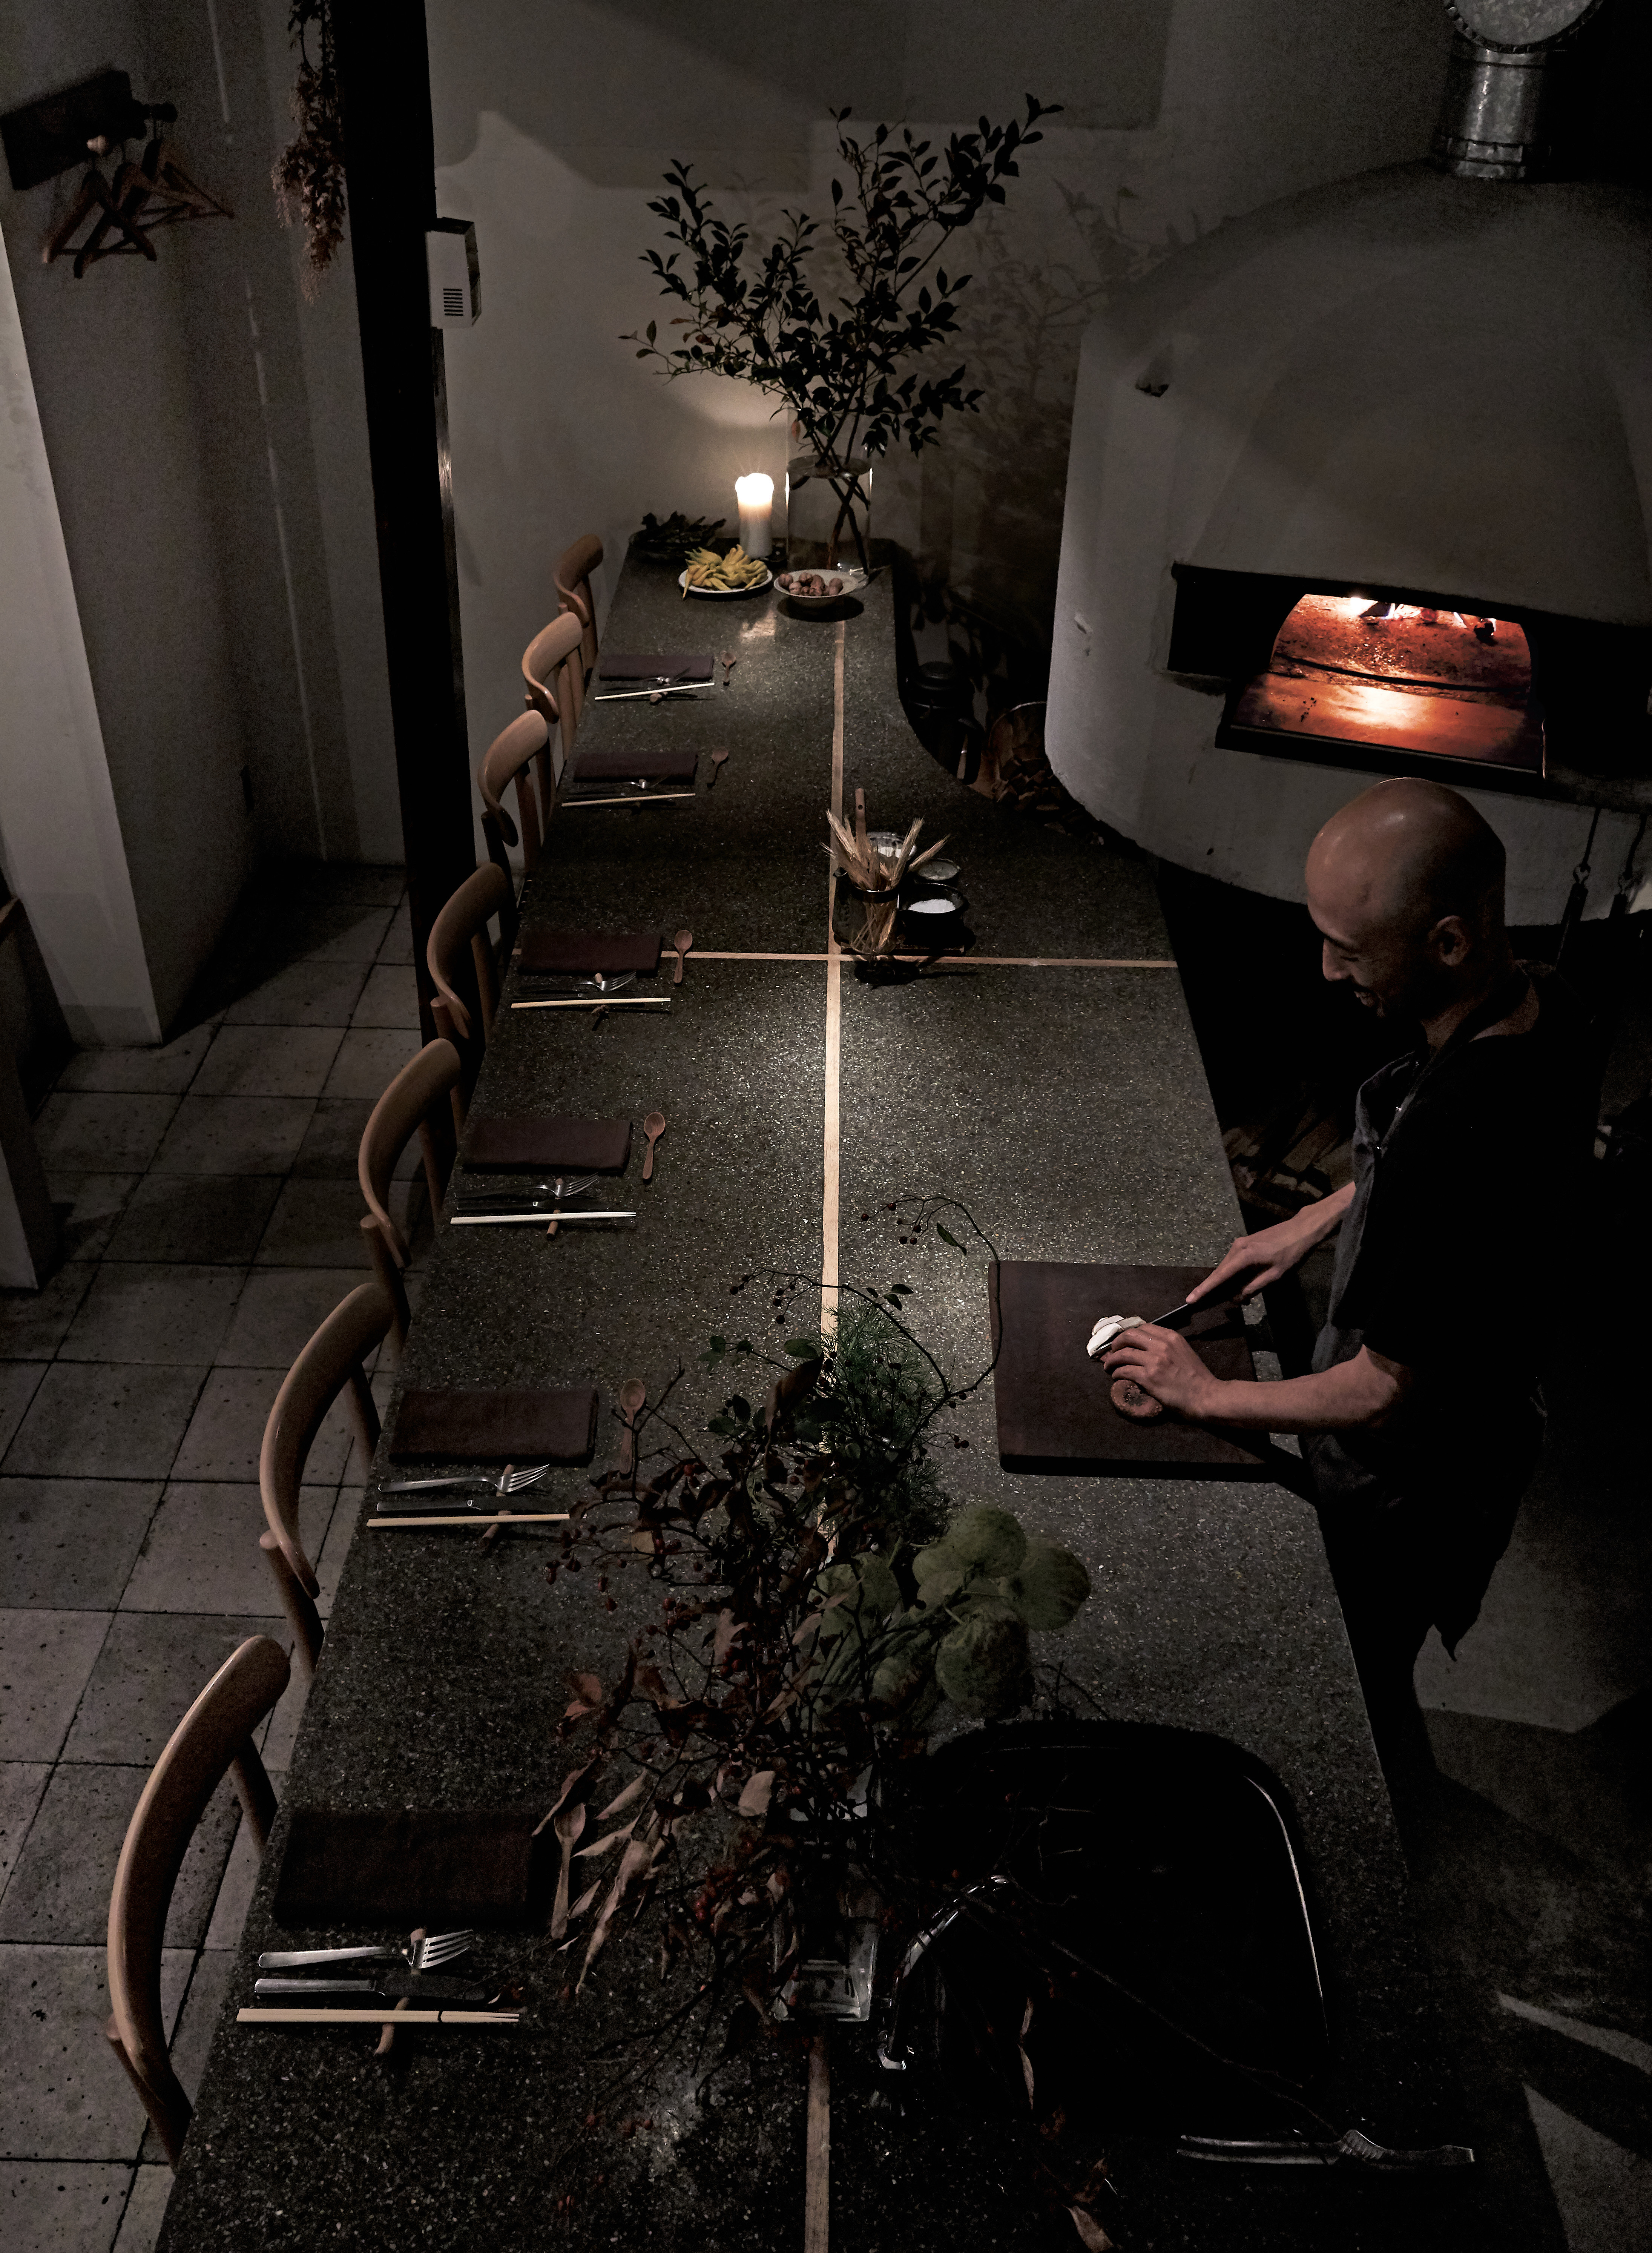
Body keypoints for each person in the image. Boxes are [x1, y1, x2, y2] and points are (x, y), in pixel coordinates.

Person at [1102, 777, 1599, 1785]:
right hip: (1475, 1416)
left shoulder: (1469, 1133)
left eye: (1351, 948)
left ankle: (1367, 1819)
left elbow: (1382, 1389)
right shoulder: (1543, 1004)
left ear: (1451, 943)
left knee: (1356, 1676)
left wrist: (1207, 1394)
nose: (1327, 971)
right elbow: (1421, 1177)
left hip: (1419, 1487)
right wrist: (1316, 1218)